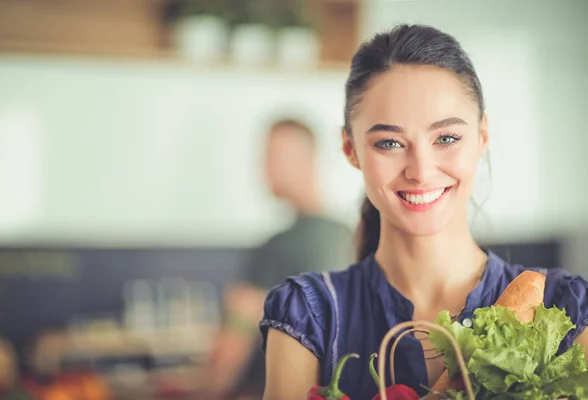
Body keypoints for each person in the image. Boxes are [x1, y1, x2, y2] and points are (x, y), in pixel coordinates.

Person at [259, 24, 588, 399]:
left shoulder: (564, 309)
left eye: (446, 138)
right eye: (390, 142)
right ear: (350, 149)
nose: (420, 170)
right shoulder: (307, 315)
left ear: (481, 137)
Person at [197, 118, 354, 399]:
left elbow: (231, 348)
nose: (263, 167)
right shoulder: (348, 235)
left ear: (305, 159)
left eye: (272, 156)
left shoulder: (280, 246)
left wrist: (201, 391)